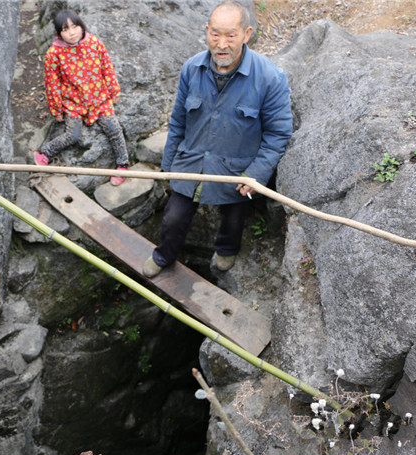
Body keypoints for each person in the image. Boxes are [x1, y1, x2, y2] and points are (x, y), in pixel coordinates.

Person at [143, 0, 292, 277]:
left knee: (233, 220)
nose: (221, 44)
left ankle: (225, 251)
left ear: (246, 34)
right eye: (215, 34)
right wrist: (168, 167)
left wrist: (255, 174)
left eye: (231, 35)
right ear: (207, 31)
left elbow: (278, 133)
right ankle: (164, 254)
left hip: (237, 172)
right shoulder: (192, 68)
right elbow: (178, 121)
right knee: (174, 218)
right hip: (192, 163)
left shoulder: (270, 77)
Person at [32, 9, 129, 186]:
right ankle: (44, 153)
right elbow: (52, 84)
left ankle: (122, 165)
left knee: (114, 130)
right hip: (74, 104)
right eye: (65, 29)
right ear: (59, 33)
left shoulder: (94, 42)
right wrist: (57, 109)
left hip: (100, 99)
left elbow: (107, 67)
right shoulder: (54, 54)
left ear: (81, 26)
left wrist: (114, 91)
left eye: (75, 26)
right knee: (73, 135)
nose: (72, 32)